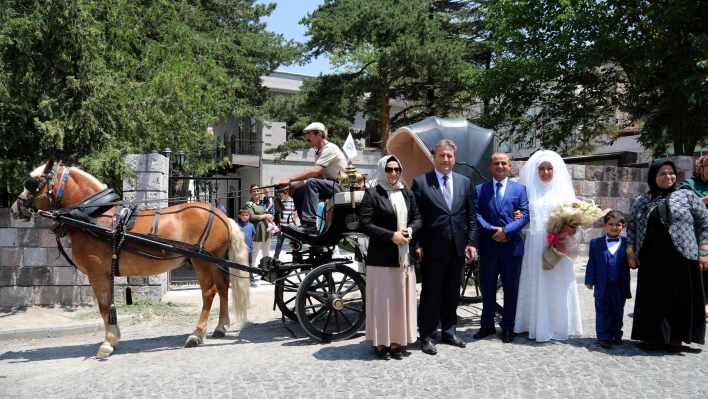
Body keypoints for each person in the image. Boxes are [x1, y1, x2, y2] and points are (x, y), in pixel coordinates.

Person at [627, 159, 708, 352]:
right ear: (653, 177)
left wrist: (703, 251)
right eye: (662, 173)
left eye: (671, 173)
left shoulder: (687, 196)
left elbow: (704, 222)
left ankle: (676, 337)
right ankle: (653, 337)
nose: (668, 177)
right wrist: (630, 251)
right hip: (651, 258)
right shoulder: (642, 200)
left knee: (680, 298)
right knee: (653, 299)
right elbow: (631, 228)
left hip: (682, 256)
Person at [411, 139, 478, 355]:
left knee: (452, 292)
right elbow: (416, 217)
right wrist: (418, 243)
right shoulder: (421, 183)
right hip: (432, 247)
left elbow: (471, 216)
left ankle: (449, 331)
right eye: (442, 155)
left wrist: (471, 242)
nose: (446, 159)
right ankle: (427, 335)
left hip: (457, 247)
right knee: (431, 292)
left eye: (449, 156)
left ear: (454, 158)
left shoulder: (464, 182)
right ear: (434, 157)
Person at [513, 150, 582, 342]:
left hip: (556, 242)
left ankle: (557, 325)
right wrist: (517, 216)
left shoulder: (563, 192)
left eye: (549, 168)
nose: (545, 173)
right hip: (535, 243)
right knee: (536, 280)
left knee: (556, 282)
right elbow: (524, 217)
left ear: (555, 170)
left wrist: (569, 228)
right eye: (541, 169)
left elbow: (574, 218)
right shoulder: (528, 190)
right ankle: (533, 324)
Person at [359, 155, 422, 360]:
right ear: (382, 170)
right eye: (389, 169)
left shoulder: (407, 193)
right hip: (382, 257)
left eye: (397, 169)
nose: (393, 173)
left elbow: (417, 217)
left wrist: (410, 231)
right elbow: (365, 224)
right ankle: (380, 343)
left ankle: (395, 341)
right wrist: (391, 236)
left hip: (403, 258)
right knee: (382, 302)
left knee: (398, 303)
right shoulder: (372, 194)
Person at [473, 152, 530, 343]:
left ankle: (508, 327)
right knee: (487, 288)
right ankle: (486, 324)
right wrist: (491, 231)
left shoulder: (520, 189)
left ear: (509, 166)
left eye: (503, 163)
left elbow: (525, 215)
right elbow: (476, 214)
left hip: (512, 248)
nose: (500, 166)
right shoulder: (480, 190)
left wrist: (506, 231)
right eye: (496, 163)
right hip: (489, 247)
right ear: (490, 166)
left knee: (511, 289)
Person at [279, 122, 347, 235]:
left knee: (311, 183)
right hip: (330, 185)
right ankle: (305, 226)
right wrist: (296, 185)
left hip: (342, 187)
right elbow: (319, 176)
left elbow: (315, 173)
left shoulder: (330, 149)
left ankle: (310, 225)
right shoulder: (318, 152)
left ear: (319, 134)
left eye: (308, 134)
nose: (306, 138)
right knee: (299, 191)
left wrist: (290, 179)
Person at [585, 210, 632, 349]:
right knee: (602, 310)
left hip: (619, 284)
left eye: (618, 224)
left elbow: (632, 260)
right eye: (611, 224)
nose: (614, 227)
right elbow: (591, 262)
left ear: (623, 226)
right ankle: (603, 336)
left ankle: (617, 334)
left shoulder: (627, 244)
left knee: (618, 310)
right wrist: (589, 279)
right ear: (605, 225)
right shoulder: (595, 243)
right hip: (602, 283)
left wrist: (634, 263)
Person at [680, 155, 708, 314]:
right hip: (696, 234)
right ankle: (700, 303)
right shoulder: (688, 185)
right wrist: (703, 200)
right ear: (700, 169)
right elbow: (679, 204)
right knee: (701, 269)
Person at [245, 184, 273, 284]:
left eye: (257, 190)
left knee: (266, 252)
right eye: (254, 191)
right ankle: (250, 275)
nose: (256, 192)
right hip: (256, 230)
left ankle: (267, 273)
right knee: (254, 253)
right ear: (251, 192)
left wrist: (270, 217)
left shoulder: (263, 203)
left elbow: (270, 213)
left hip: (266, 230)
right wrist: (265, 215)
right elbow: (251, 217)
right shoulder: (249, 204)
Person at [274, 188, 298, 259]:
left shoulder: (294, 201)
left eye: (282, 195)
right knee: (279, 243)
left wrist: (294, 217)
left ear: (286, 194)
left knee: (294, 243)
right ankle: (275, 258)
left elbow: (298, 211)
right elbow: (278, 213)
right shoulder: (280, 202)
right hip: (282, 227)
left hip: (291, 226)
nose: (281, 197)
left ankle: (296, 257)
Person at [237, 208, 257, 287]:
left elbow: (253, 236)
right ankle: (240, 280)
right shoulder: (237, 225)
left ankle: (251, 280)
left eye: (246, 215)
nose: (245, 217)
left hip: (249, 249)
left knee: (249, 264)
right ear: (239, 216)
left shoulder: (251, 225)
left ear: (249, 216)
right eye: (243, 215)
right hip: (239, 249)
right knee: (239, 264)